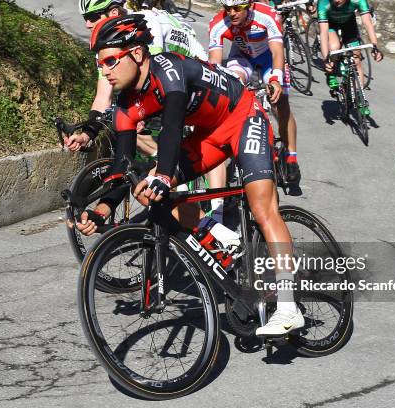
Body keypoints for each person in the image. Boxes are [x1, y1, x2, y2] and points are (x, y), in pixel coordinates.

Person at [90, 14, 305, 335]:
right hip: (209, 135)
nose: (104, 71)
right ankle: (222, 237)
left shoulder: (169, 69)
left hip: (243, 116)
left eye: (109, 61)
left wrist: (164, 175)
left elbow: (173, 127)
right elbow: (121, 165)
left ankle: (289, 307)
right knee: (145, 189)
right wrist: (103, 208)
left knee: (262, 208)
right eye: (100, 64)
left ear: (136, 53)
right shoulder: (125, 104)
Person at [64, 0, 208, 156]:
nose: (87, 25)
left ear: (113, 13)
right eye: (85, 18)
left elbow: (155, 78)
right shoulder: (106, 44)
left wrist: (142, 115)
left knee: (205, 137)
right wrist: (87, 134)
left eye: (93, 17)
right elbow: (103, 97)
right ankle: (171, 167)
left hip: (193, 63)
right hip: (169, 76)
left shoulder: (145, 26)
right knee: (124, 125)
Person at [209, 0, 301, 185]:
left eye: (237, 8)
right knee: (231, 86)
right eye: (228, 9)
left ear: (249, 5)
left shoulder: (267, 14)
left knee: (280, 102)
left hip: (268, 57)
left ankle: (291, 155)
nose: (232, 13)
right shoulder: (218, 23)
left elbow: (277, 53)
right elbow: (215, 65)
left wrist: (275, 80)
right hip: (242, 57)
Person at [317, 0, 383, 112]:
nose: (337, 0)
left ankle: (360, 98)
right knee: (334, 47)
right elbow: (323, 33)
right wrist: (325, 58)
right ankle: (331, 72)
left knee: (356, 58)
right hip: (330, 24)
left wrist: (375, 46)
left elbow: (367, 23)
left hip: (349, 24)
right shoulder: (323, 3)